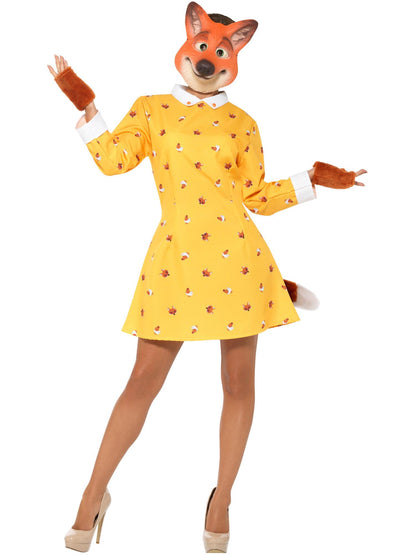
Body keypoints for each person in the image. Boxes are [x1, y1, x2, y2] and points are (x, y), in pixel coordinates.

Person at [48, 2, 366, 552]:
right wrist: (87, 106)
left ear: (235, 55)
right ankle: (92, 496)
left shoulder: (243, 123)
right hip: (174, 261)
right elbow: (113, 162)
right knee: (142, 381)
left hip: (238, 262)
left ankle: (221, 503)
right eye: (202, 47)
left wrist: (314, 179)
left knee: (238, 385)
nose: (208, 60)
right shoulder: (152, 109)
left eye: (222, 52)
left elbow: (255, 197)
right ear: (187, 43)